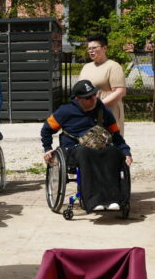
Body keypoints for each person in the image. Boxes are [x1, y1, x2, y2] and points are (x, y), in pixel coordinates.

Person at [41, 80, 132, 212]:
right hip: (74, 150)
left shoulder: (103, 111)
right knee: (85, 152)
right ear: (78, 99)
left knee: (113, 152)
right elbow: (46, 130)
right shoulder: (65, 111)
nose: (93, 99)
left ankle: (113, 199)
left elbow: (116, 135)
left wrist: (125, 152)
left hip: (98, 148)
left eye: (94, 95)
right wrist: (47, 149)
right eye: (88, 97)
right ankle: (93, 201)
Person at [79, 33, 127, 135]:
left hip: (108, 113)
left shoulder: (113, 66)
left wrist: (98, 104)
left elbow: (120, 91)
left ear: (104, 48)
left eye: (94, 48)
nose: (90, 51)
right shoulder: (86, 67)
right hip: (88, 113)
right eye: (89, 48)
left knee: (109, 145)